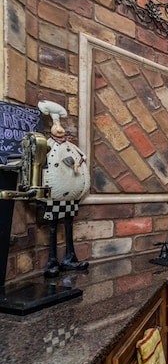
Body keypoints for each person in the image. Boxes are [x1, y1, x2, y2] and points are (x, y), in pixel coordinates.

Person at [38, 101, 90, 277]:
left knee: (68, 223)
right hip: (54, 197)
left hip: (71, 198)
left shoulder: (70, 147)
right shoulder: (48, 146)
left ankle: (70, 257)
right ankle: (52, 260)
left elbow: (82, 157)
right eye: (56, 127)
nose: (60, 131)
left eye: (61, 128)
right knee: (52, 225)